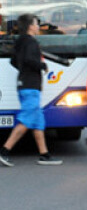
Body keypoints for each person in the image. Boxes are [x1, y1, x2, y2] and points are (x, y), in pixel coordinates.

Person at [0, 14, 61, 167]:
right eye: (36, 24)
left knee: (38, 122)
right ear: (30, 26)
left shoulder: (19, 41)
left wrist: (23, 69)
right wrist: (42, 66)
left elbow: (14, 61)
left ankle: (44, 155)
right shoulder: (31, 42)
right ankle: (4, 151)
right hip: (31, 86)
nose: (38, 26)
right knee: (26, 121)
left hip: (23, 84)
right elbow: (29, 60)